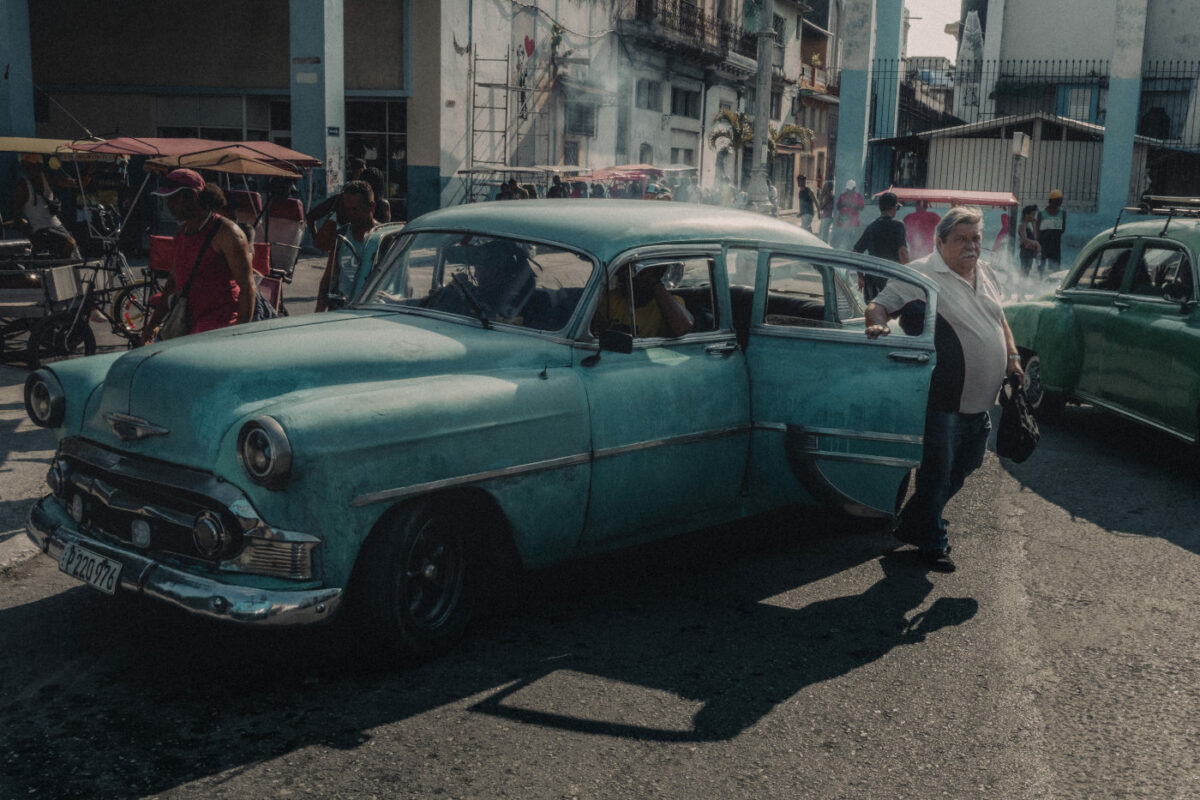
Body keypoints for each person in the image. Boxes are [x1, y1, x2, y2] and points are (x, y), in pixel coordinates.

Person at [864, 206, 1023, 572]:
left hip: (982, 401)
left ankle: (913, 522)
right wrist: (876, 325)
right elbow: (879, 305)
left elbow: (1000, 319)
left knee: (968, 463)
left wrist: (1013, 356)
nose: (971, 246)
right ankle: (933, 541)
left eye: (976, 239)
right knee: (937, 473)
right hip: (944, 397)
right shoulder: (920, 274)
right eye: (961, 239)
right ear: (940, 242)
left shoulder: (986, 272)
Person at [141, 169, 256, 342]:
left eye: (173, 199)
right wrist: (152, 324)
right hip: (188, 320)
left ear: (193, 196)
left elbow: (247, 287)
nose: (169, 205)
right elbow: (173, 283)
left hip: (219, 325)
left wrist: (240, 335)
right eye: (166, 199)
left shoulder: (227, 232)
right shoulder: (182, 233)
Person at [316, 180, 377, 312]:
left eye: (356, 209)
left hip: (373, 310)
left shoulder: (384, 238)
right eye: (347, 209)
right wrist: (319, 311)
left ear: (371, 206)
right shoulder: (341, 236)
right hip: (342, 310)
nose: (351, 214)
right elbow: (328, 278)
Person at [595, 263, 694, 338]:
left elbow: (683, 329)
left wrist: (654, 284)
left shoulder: (671, 303)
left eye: (632, 274)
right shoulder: (610, 299)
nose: (620, 279)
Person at [12, 154, 79, 259]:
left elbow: (73, 183)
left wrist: (86, 175)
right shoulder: (23, 185)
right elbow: (16, 215)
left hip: (57, 225)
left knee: (76, 254)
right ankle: (61, 264)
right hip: (39, 229)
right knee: (69, 243)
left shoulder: (47, 178)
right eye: (24, 167)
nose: (27, 170)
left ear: (39, 166)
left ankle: (65, 265)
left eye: (30, 166)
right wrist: (28, 233)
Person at [853, 191, 909, 302]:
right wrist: (907, 277)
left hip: (871, 281)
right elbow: (902, 252)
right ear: (894, 207)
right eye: (897, 208)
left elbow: (856, 252)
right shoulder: (898, 226)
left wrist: (860, 277)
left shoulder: (871, 227)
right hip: (891, 280)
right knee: (890, 311)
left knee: (871, 311)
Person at [304, 157, 368, 251]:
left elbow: (311, 216)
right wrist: (317, 239)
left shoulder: (340, 198)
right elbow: (311, 216)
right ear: (360, 170)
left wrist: (316, 238)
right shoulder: (364, 198)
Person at [1037, 189, 1067, 273]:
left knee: (1055, 267)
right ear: (1053, 200)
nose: (1061, 201)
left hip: (1055, 244)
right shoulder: (1042, 213)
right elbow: (1037, 230)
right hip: (1043, 243)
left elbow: (1063, 229)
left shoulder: (1062, 213)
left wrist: (1050, 230)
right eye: (1059, 199)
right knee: (1041, 265)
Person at [833, 179, 865, 249]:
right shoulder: (842, 196)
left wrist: (854, 205)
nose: (848, 191)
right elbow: (838, 206)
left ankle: (850, 250)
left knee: (851, 238)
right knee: (840, 237)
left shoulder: (858, 196)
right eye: (847, 189)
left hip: (853, 221)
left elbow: (862, 207)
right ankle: (838, 250)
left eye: (850, 189)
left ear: (854, 188)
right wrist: (843, 204)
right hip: (842, 220)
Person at [1017, 204, 1041, 276]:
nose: (1034, 216)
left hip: (1030, 251)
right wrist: (1036, 243)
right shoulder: (1023, 225)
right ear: (1026, 215)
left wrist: (1034, 225)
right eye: (1033, 214)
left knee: (1027, 271)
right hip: (1025, 251)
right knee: (1024, 271)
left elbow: (1035, 237)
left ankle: (1023, 281)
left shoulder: (1029, 225)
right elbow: (1024, 239)